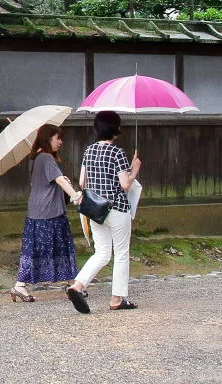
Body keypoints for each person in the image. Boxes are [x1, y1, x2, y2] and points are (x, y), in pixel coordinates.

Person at [66, 110, 141, 314]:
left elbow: (82, 182)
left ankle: (78, 285)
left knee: (102, 253)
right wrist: (134, 168)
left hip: (95, 210)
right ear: (115, 129)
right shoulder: (118, 153)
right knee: (121, 253)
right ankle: (117, 298)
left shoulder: (88, 151)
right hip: (117, 208)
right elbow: (125, 184)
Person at [10, 123, 84, 302]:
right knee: (59, 247)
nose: (61, 142)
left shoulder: (35, 158)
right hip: (49, 211)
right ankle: (21, 285)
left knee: (37, 249)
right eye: (58, 138)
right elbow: (58, 180)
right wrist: (74, 194)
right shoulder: (46, 158)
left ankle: (70, 283)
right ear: (48, 138)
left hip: (37, 210)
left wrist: (63, 181)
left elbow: (52, 180)